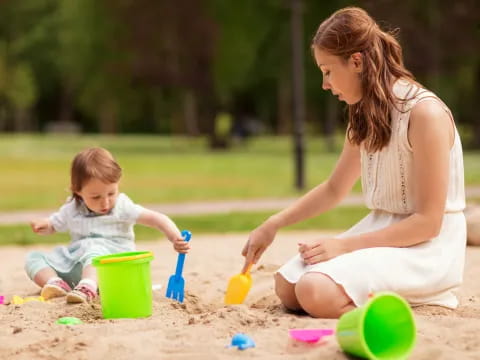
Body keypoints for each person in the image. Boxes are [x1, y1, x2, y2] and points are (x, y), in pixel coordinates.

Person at [241, 7, 466, 318]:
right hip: (382, 232)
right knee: (288, 286)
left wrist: (344, 247)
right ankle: (366, 293)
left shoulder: (424, 114)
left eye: (328, 71)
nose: (325, 84)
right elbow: (335, 189)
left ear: (357, 62)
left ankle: (402, 307)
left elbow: (429, 222)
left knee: (313, 291)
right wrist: (273, 224)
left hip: (426, 248)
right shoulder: (364, 114)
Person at [26, 147, 190, 303]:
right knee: (34, 258)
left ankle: (88, 288)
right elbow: (54, 225)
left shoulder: (122, 207)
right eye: (96, 197)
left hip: (114, 267)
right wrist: (44, 224)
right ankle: (56, 283)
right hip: (78, 265)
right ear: (78, 191)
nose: (105, 202)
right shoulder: (72, 208)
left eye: (111, 193)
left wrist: (175, 237)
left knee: (94, 249)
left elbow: (156, 218)